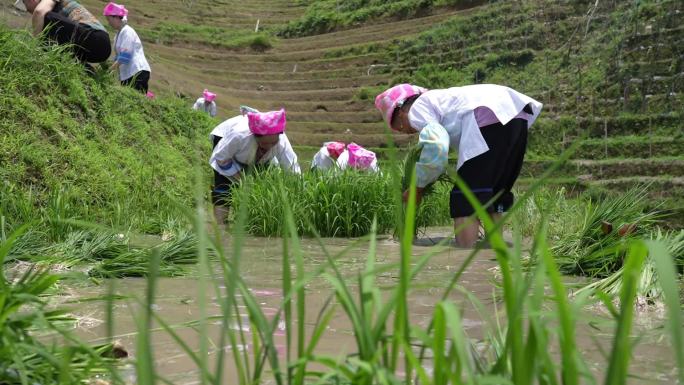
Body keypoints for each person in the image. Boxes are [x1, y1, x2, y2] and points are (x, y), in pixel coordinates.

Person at [375, 83, 542, 247]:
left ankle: (466, 258)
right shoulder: (441, 100)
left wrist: (418, 187)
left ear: (402, 111)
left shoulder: (418, 107)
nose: (408, 131)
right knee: (489, 195)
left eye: (401, 127)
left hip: (487, 119)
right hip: (516, 117)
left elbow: (436, 146)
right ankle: (494, 256)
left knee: (464, 198)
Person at [209, 108, 301, 225]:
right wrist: (241, 179)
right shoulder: (239, 135)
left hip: (253, 157)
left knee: (258, 183)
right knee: (224, 187)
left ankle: (246, 221)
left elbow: (292, 169)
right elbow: (221, 158)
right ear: (255, 136)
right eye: (264, 143)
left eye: (273, 143)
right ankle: (221, 226)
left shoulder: (281, 142)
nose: (269, 147)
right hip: (225, 142)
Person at [16, 0, 111, 65]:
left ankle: (40, 58)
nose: (29, 11)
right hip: (99, 51)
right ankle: (85, 68)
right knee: (50, 33)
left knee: (47, 18)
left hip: (96, 37)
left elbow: (39, 12)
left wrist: (33, 50)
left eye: (27, 8)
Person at [103, 2, 151, 93]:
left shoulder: (127, 32)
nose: (108, 22)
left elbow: (125, 56)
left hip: (137, 72)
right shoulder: (118, 35)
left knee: (136, 101)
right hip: (127, 74)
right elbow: (119, 56)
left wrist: (110, 70)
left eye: (109, 19)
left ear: (116, 17)